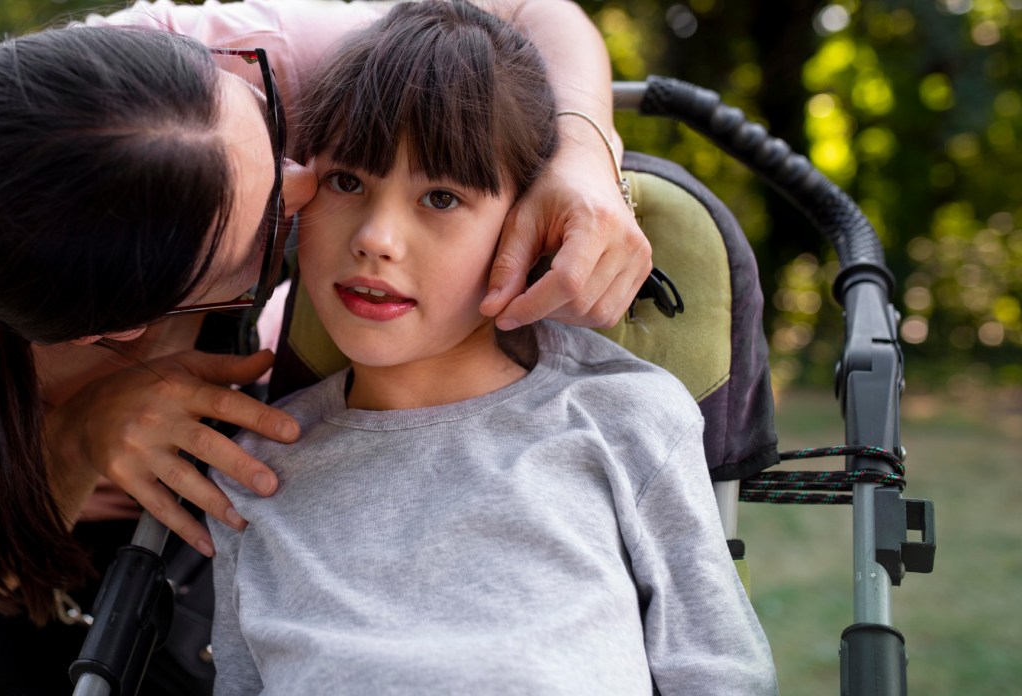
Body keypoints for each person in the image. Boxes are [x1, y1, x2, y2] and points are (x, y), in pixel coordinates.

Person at [0, 0, 649, 692]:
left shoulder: (241, 58)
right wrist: (83, 437)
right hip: (33, 546)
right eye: (276, 215)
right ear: (129, 329)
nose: (316, 187)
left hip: (249, 483)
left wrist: (584, 151)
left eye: (276, 136)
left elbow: (538, 14)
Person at [207, 2, 778, 694]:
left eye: (441, 198)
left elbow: (719, 673)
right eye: (347, 181)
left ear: (528, 227)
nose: (377, 238)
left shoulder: (621, 418)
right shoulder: (251, 473)